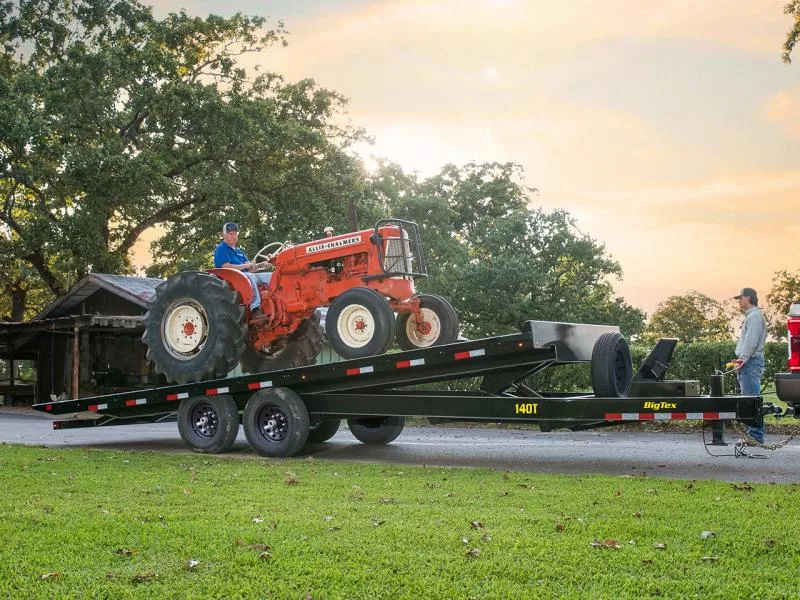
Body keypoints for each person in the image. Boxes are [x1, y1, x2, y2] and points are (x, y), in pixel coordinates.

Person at [731, 287, 767, 444]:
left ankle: (755, 436)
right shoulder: (752, 316)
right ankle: (752, 435)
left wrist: (742, 360)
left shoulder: (754, 317)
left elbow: (751, 342)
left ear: (748, 298)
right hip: (750, 362)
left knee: (751, 400)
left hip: (751, 362)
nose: (739, 301)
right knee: (749, 399)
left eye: (740, 298)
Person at [213, 222, 271, 312]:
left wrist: (263, 265)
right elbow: (226, 267)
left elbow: (251, 268)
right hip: (234, 279)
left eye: (235, 234)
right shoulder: (221, 249)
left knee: (271, 276)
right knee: (250, 276)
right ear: (224, 235)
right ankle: (255, 307)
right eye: (231, 234)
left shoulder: (239, 251)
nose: (234, 236)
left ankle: (275, 299)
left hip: (246, 275)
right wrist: (246, 265)